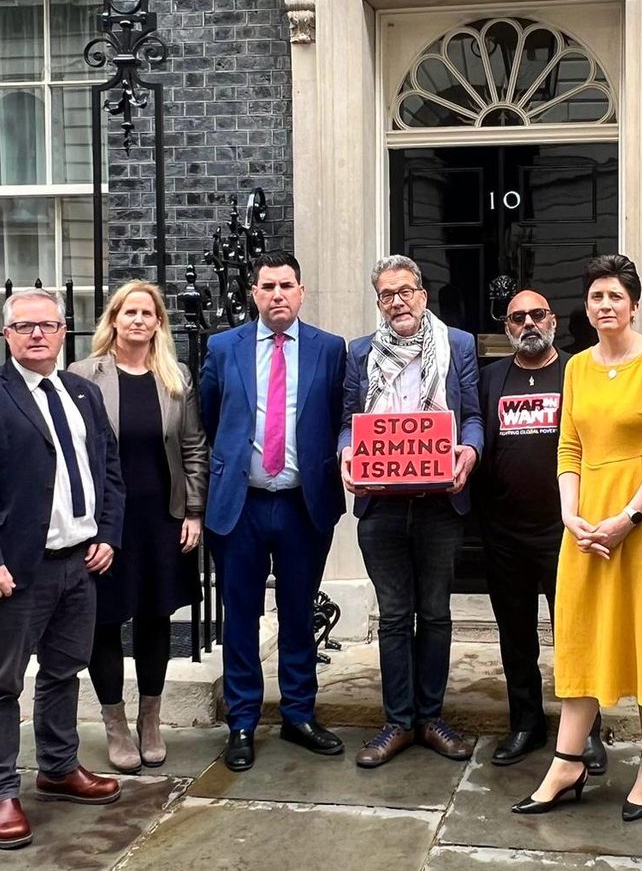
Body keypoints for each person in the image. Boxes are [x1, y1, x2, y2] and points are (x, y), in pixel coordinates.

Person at [0, 288, 125, 849]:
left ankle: (58, 767)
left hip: (78, 565)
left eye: (47, 325)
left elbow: (108, 471)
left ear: (64, 331)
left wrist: (108, 535)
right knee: (0, 684)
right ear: (7, 335)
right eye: (24, 326)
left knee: (64, 673)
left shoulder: (83, 393)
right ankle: (0, 792)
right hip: (14, 571)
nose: (37, 334)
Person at [514, 255, 642, 822]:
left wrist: (629, 518)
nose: (605, 306)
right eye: (596, 297)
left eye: (615, 296)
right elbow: (569, 447)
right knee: (581, 636)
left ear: (634, 304)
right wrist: (571, 513)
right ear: (585, 309)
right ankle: (566, 762)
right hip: (587, 525)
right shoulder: (577, 368)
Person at [199, 250, 347, 771]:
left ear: (301, 292)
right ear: (254, 294)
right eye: (267, 286)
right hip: (239, 507)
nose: (277, 294)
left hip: (303, 506)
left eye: (286, 285)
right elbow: (210, 418)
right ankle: (241, 721)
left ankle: (299, 714)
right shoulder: (224, 347)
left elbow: (338, 417)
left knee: (298, 613)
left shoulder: (331, 350)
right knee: (239, 616)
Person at [339, 254, 484, 768]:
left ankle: (432, 717)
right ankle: (398, 722)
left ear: (422, 295)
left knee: (437, 613)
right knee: (396, 616)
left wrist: (470, 448)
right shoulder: (359, 354)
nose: (397, 302)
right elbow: (346, 421)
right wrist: (345, 453)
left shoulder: (459, 345)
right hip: (380, 507)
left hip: (438, 502)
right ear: (378, 303)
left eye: (405, 291)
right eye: (386, 295)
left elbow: (470, 414)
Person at [69, 280, 208, 772]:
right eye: (129, 312)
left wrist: (193, 512)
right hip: (105, 521)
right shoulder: (82, 377)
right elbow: (71, 457)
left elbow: (193, 448)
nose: (137, 320)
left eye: (147, 313)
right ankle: (115, 723)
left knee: (154, 618)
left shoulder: (175, 378)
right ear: (113, 319)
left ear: (158, 323)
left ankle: (151, 720)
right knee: (104, 622)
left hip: (160, 518)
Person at [476, 290, 607, 770]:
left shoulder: (579, 370)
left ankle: (587, 733)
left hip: (566, 531)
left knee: (574, 634)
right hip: (503, 533)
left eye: (537, 314)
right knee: (515, 636)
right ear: (507, 327)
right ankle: (526, 724)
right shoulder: (490, 379)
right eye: (517, 317)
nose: (528, 323)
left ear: (551, 320)